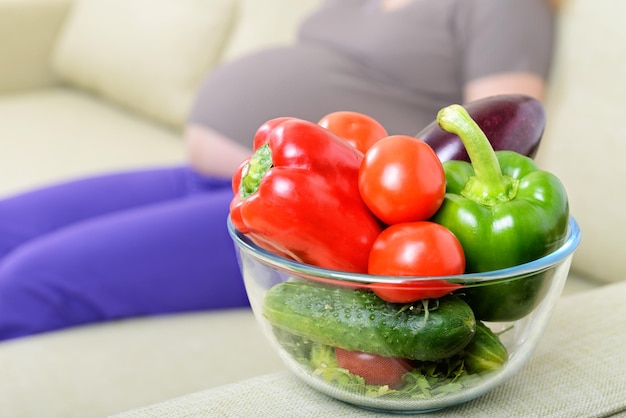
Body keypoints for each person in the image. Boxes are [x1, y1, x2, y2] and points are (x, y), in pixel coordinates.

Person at [0, 0, 557, 341]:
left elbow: (500, 140)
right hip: (230, 179)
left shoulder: (504, 4)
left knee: (27, 281)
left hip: (310, 225)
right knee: (9, 222)